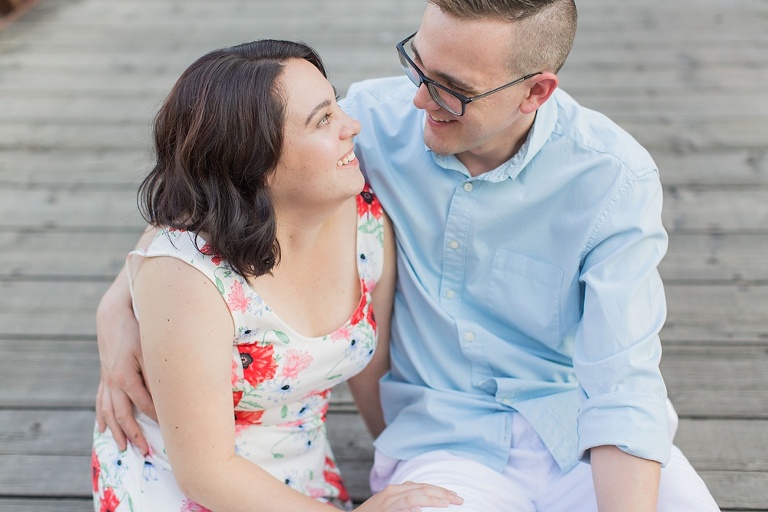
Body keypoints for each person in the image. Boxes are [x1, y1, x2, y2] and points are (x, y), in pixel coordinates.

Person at [96, 2, 721, 511]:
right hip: (447, 441)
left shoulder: (612, 179)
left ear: (536, 92)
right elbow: (213, 194)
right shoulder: (372, 123)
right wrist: (118, 310)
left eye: (451, 90)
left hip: (579, 431)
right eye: (416, 66)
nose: (419, 100)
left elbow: (623, 386)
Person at [90, 39, 464, 512]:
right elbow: (205, 473)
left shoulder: (365, 219)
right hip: (181, 481)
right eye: (323, 119)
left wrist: (403, 465)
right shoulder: (187, 279)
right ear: (256, 160)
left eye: (337, 105)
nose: (353, 126)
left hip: (298, 474)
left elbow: (373, 371)